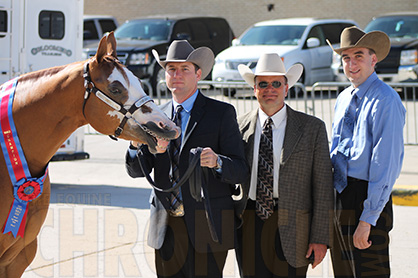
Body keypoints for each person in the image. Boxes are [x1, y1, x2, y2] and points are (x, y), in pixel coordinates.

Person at [125, 40, 249, 278]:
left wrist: (217, 162)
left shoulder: (221, 113)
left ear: (198, 74)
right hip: (166, 227)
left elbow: (241, 169)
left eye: (184, 69)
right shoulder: (153, 116)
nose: (177, 75)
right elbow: (135, 170)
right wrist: (136, 145)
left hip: (209, 225)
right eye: (172, 69)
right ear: (165, 74)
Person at [235, 53, 334, 278]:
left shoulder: (312, 128)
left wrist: (320, 238)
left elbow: (323, 187)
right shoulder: (238, 127)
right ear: (254, 89)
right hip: (249, 221)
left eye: (276, 83)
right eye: (263, 84)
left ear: (286, 88)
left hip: (295, 225)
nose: (270, 89)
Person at [328, 26, 406, 277]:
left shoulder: (386, 100)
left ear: (373, 59)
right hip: (340, 194)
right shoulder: (343, 98)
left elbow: (385, 165)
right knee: (344, 272)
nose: (351, 64)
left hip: (367, 197)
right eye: (346, 57)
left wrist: (368, 218)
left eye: (358, 55)